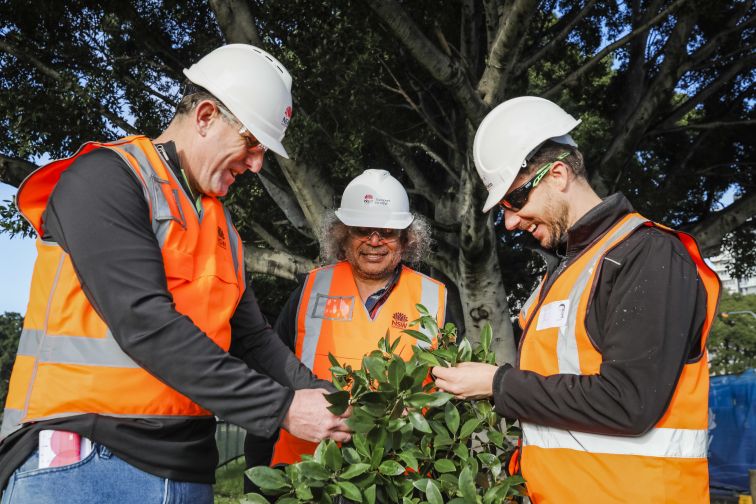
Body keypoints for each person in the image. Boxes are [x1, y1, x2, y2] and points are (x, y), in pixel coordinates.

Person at [0, 44, 350, 503]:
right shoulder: (107, 178)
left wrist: (330, 401)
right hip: (82, 461)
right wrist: (282, 408)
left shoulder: (219, 224)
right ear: (205, 116)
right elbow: (143, 322)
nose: (257, 164)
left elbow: (251, 340)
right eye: (251, 144)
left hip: (186, 466)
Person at [432, 96, 720, 503]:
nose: (510, 222)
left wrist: (497, 384)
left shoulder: (648, 255)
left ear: (559, 175)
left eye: (515, 201)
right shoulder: (562, 273)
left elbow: (629, 402)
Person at [244, 169, 457, 487]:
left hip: (399, 481)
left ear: (406, 238)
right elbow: (270, 372)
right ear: (343, 235)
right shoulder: (311, 289)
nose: (374, 241)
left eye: (386, 231)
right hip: (305, 475)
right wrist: (259, 471)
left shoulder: (435, 298)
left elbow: (450, 396)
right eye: (362, 230)